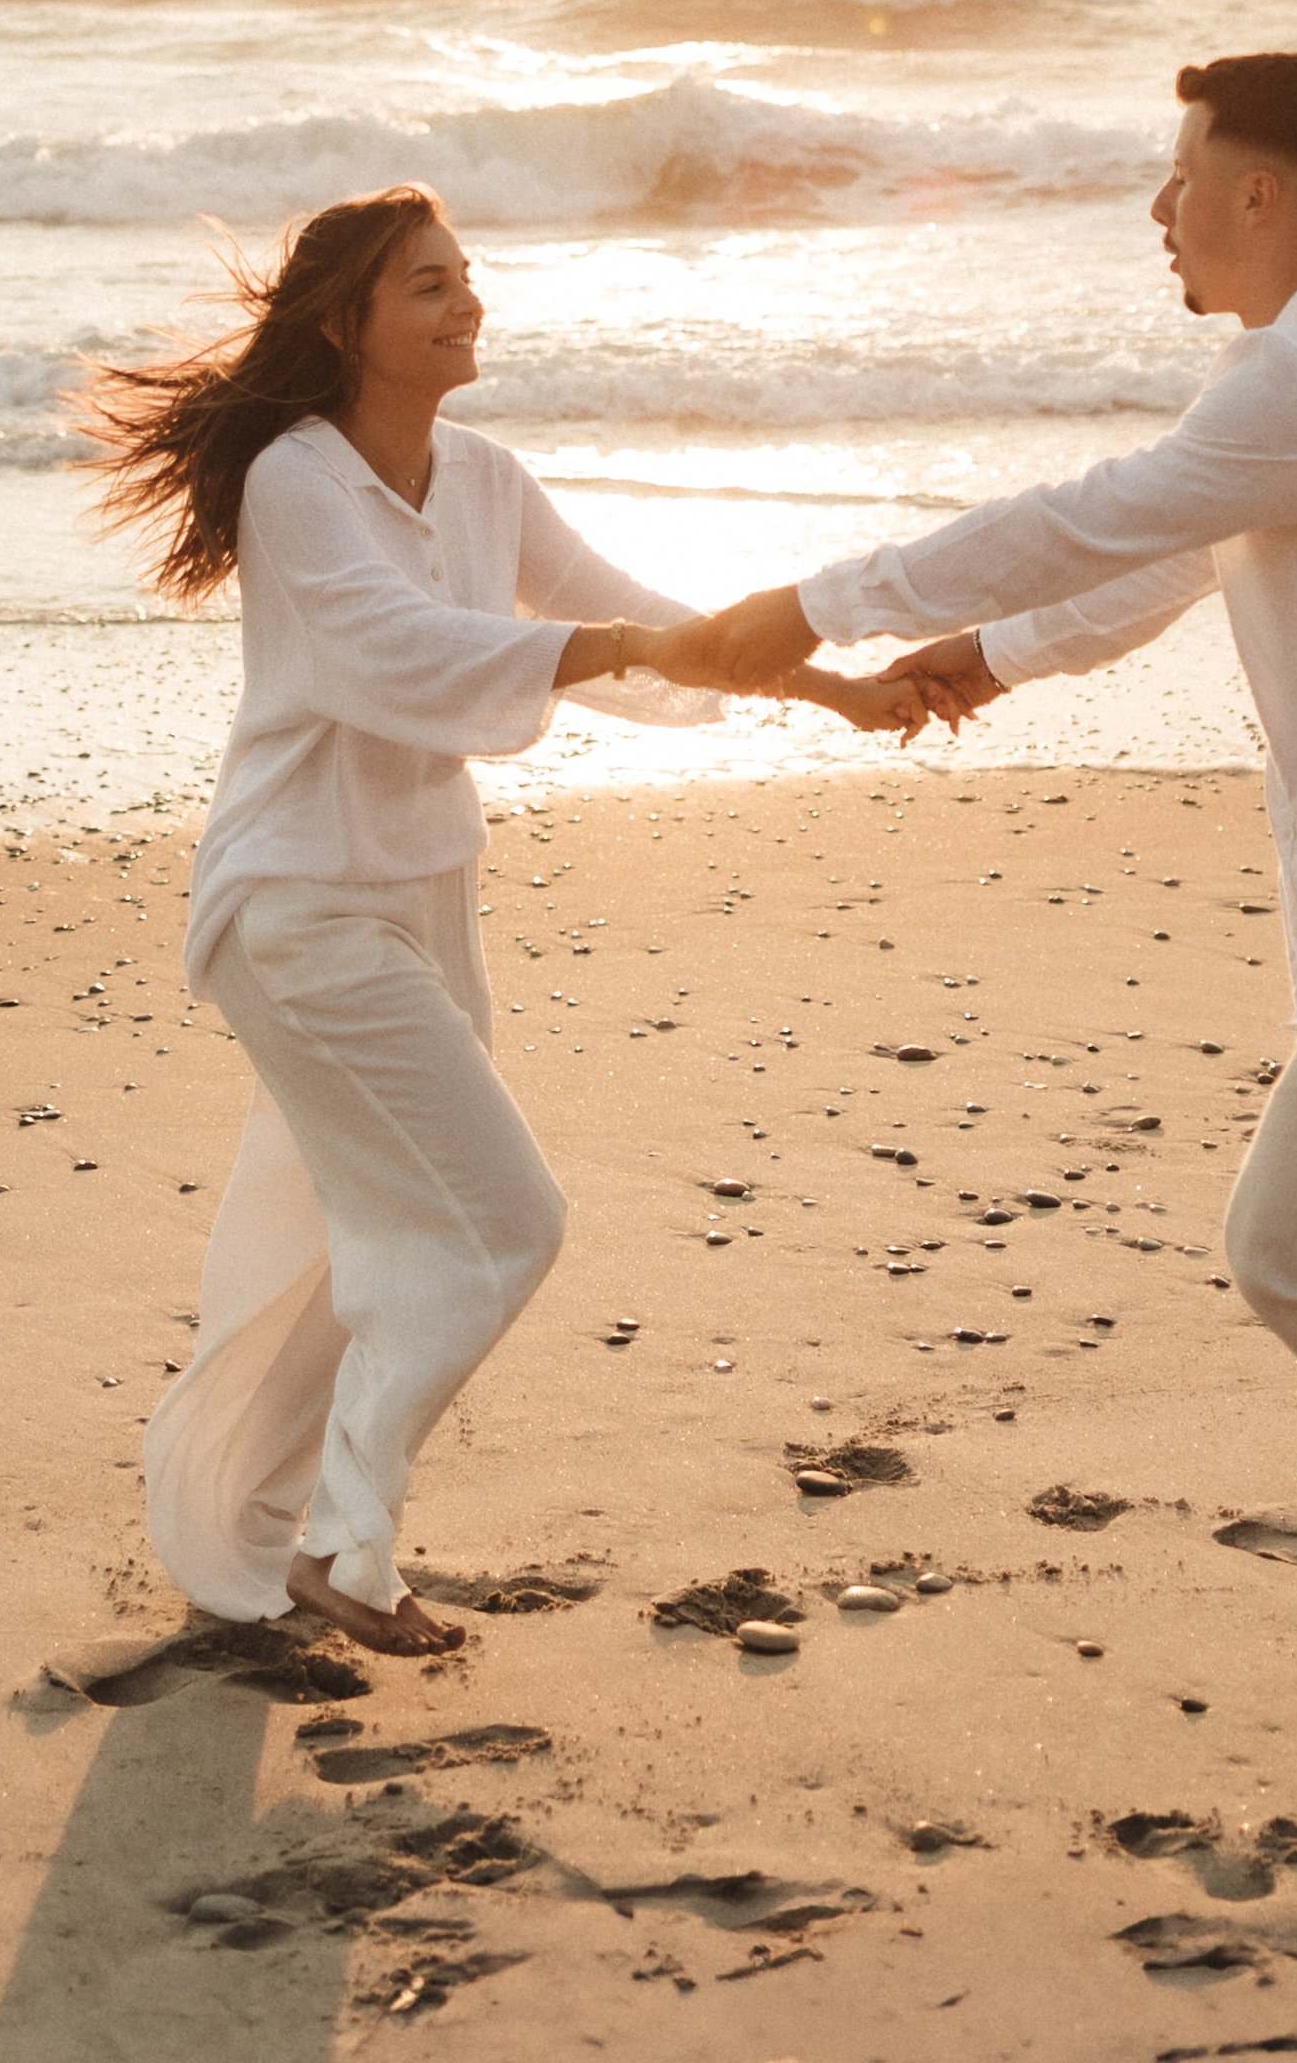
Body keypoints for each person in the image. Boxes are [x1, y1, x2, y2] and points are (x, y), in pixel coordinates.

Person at [664, 54, 1297, 1734]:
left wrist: (815, 602)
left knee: (1295, 1252)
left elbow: (1094, 515)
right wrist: (983, 663)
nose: (1160, 209)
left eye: (1181, 174)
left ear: (1260, 194)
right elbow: (1159, 556)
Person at [75, 182, 923, 1657]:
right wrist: (606, 648)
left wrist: (825, 687)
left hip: (418, 902)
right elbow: (401, 657)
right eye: (428, 286)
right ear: (347, 324)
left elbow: (645, 617)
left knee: (359, 1249)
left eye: (468, 276)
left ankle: (256, 1538)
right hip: (301, 908)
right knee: (498, 1223)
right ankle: (347, 1545)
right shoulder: (297, 479)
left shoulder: (481, 476)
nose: (468, 302)